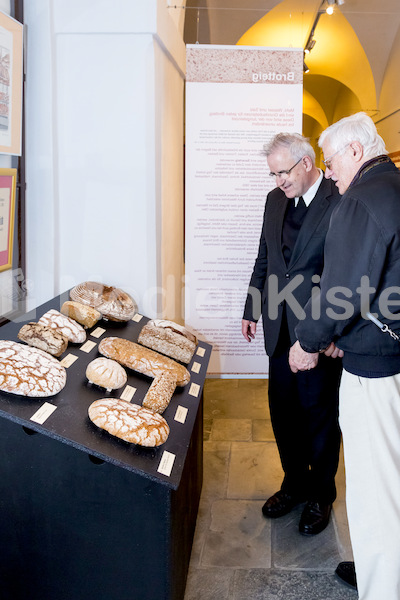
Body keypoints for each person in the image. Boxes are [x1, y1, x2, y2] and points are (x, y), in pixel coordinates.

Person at [289, 112, 400, 600]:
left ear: (355, 151)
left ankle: (383, 586)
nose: (329, 172)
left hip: (375, 373)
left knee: (376, 492)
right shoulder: (393, 187)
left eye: (331, 161)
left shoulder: (360, 200)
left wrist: (307, 342)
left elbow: (343, 290)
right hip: (388, 353)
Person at [242, 132, 342, 536]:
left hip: (316, 330)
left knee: (319, 415)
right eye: (273, 173)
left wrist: (330, 331)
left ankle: (321, 495)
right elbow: (264, 256)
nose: (278, 181)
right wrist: (251, 307)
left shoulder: (339, 199)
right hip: (277, 324)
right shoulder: (274, 200)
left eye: (283, 172)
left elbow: (343, 274)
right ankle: (293, 484)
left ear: (306, 163)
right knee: (283, 411)